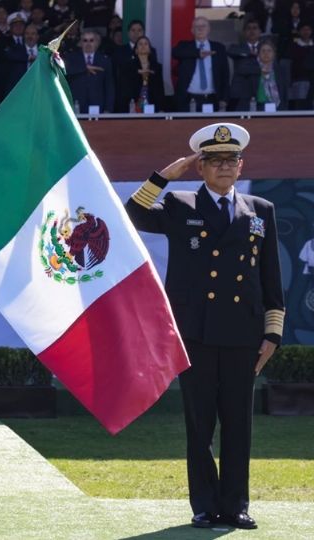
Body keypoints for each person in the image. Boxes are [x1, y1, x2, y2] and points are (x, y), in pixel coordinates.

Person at [125, 122, 284, 531]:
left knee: (238, 424)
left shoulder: (259, 210)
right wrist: (165, 175)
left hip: (243, 335)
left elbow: (270, 278)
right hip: (194, 333)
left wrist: (272, 334)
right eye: (215, 161)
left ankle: (235, 505)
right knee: (200, 424)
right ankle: (204, 505)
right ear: (202, 168)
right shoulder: (180, 204)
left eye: (231, 160)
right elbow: (133, 213)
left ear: (241, 164)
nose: (225, 167)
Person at [172, 17, 229, 111]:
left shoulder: (218, 48)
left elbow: (225, 75)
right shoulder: (184, 46)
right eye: (197, 26)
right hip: (188, 99)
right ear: (192, 30)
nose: (200, 28)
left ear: (209, 29)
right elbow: (175, 52)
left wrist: (224, 98)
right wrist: (197, 53)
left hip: (212, 98)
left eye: (203, 26)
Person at [64, 29, 114, 113]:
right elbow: (66, 73)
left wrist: (108, 109)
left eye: (91, 40)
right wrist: (84, 68)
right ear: (80, 43)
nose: (88, 43)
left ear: (96, 43)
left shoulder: (104, 60)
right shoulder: (71, 58)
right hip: (76, 104)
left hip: (98, 105)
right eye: (85, 40)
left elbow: (109, 86)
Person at [231, 40, 290, 111]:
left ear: (274, 54)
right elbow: (240, 70)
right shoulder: (250, 67)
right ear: (258, 54)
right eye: (263, 51)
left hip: (277, 107)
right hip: (256, 107)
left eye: (269, 51)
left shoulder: (280, 70)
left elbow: (284, 92)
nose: (266, 53)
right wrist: (260, 71)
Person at [124, 35, 164, 112]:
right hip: (134, 102)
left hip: (152, 102)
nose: (143, 46)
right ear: (136, 50)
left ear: (150, 49)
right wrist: (138, 72)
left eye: (146, 44)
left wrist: (161, 108)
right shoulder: (128, 66)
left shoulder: (157, 67)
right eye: (140, 44)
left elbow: (160, 89)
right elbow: (126, 85)